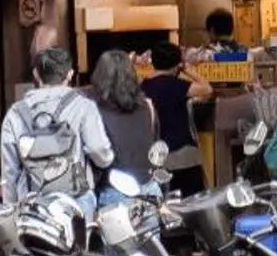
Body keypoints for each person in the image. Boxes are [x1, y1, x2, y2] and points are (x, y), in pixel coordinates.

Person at [0, 45, 113, 213]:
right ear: (70, 74)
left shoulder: (16, 113)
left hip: (32, 206)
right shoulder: (84, 106)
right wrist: (107, 159)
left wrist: (10, 209)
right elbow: (100, 152)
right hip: (76, 202)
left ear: (36, 74)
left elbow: (10, 172)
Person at [140, 43, 215, 196]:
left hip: (155, 157)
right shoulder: (177, 85)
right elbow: (207, 89)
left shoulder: (143, 87)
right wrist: (188, 69)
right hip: (182, 155)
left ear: (153, 62)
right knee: (192, 203)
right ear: (177, 64)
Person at [89, 50, 157, 204]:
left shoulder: (93, 110)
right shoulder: (148, 106)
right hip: (150, 187)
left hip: (114, 191)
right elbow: (154, 140)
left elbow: (95, 149)